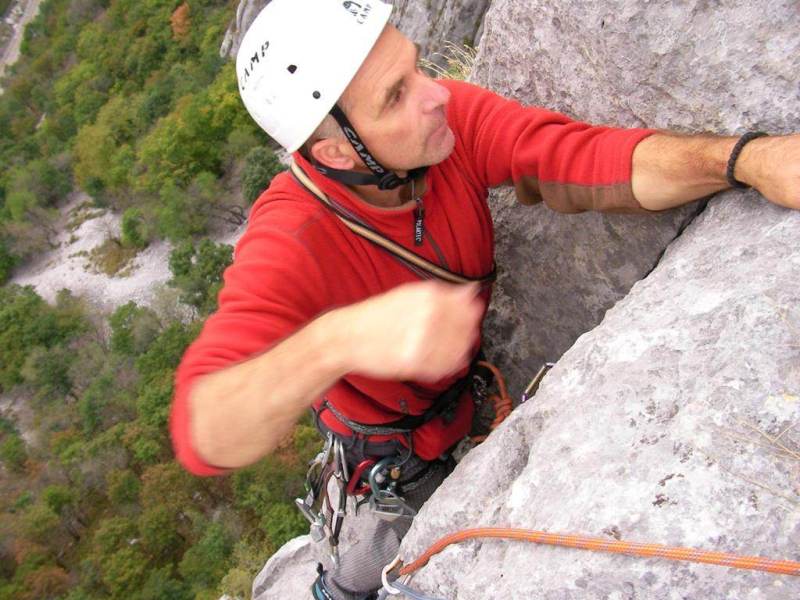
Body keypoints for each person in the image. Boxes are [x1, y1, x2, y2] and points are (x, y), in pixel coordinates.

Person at [169, 0, 800, 597]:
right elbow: (207, 431)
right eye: (397, 95)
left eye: (414, 69)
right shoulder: (294, 235)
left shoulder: (447, 127)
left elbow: (586, 160)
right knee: (364, 572)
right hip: (392, 448)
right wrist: (341, 339)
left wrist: (748, 160)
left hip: (459, 398)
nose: (437, 93)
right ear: (336, 151)